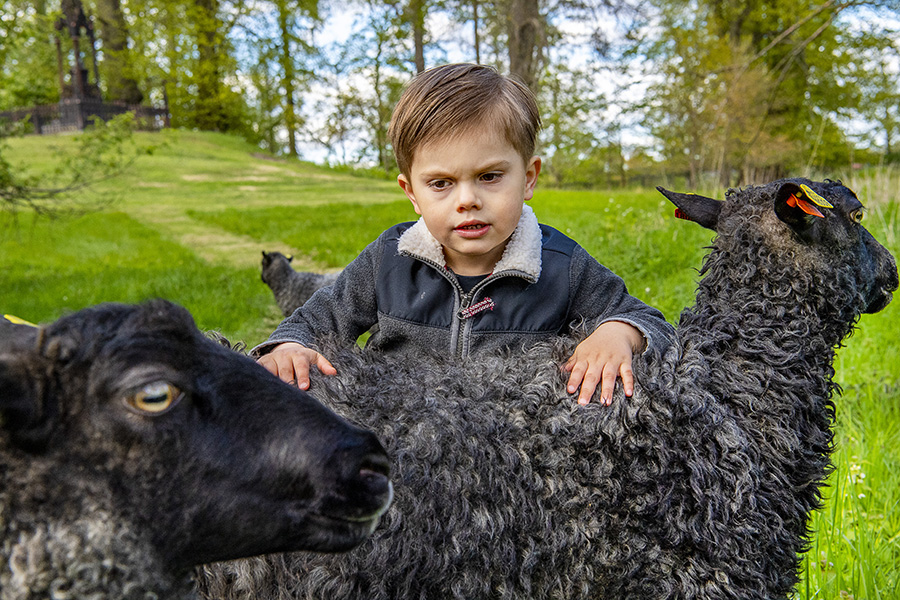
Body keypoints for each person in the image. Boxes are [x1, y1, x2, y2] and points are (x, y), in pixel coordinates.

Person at [253, 63, 674, 405]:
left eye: (490, 176)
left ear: (528, 178)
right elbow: (314, 320)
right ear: (412, 193)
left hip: (513, 456)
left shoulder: (560, 265)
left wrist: (616, 332)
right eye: (441, 183)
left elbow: (648, 320)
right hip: (404, 443)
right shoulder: (389, 259)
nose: (467, 200)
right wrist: (289, 347)